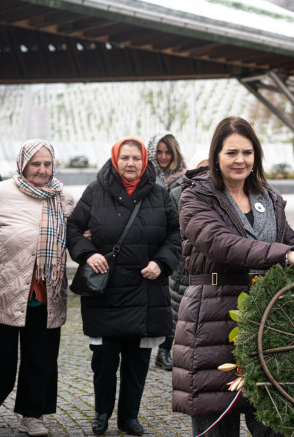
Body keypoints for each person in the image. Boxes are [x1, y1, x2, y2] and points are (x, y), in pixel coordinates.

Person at [172, 116, 294, 437]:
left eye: (247, 152)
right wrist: (286, 255)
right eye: (231, 153)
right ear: (216, 156)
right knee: (217, 424)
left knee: (273, 422)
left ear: (256, 156)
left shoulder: (268, 198)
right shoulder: (196, 197)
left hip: (266, 320)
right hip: (213, 319)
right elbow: (222, 244)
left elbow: (289, 241)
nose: (240, 160)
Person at [67, 137, 181, 436]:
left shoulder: (159, 193)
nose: (130, 164)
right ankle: (102, 412)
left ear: (146, 162)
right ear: (115, 160)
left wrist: (161, 262)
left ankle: (129, 416)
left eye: (137, 158)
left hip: (146, 289)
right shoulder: (95, 191)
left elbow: (176, 234)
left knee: (137, 361)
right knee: (104, 361)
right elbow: (74, 229)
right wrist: (88, 254)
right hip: (106, 292)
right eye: (125, 158)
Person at [0, 139, 75, 437]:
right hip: (1, 290)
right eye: (35, 163)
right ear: (22, 164)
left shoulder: (62, 197)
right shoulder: (1, 193)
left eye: (47, 163)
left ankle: (33, 414)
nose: (42, 169)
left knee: (41, 358)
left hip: (46, 294)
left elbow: (79, 234)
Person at [146, 131, 186, 371]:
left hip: (175, 245)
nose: (163, 156)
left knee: (173, 303)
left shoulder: (185, 176)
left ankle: (165, 351)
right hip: (151, 244)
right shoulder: (147, 177)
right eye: (159, 152)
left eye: (167, 151)